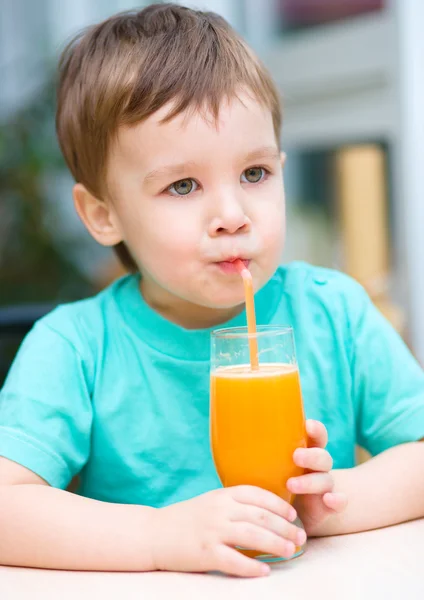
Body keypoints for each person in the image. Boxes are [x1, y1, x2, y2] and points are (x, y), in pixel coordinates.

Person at [1, 3, 424, 578]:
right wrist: (157, 536)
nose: (232, 215)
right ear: (102, 215)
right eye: (182, 185)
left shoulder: (334, 313)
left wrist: (332, 505)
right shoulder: (75, 348)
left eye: (254, 174)